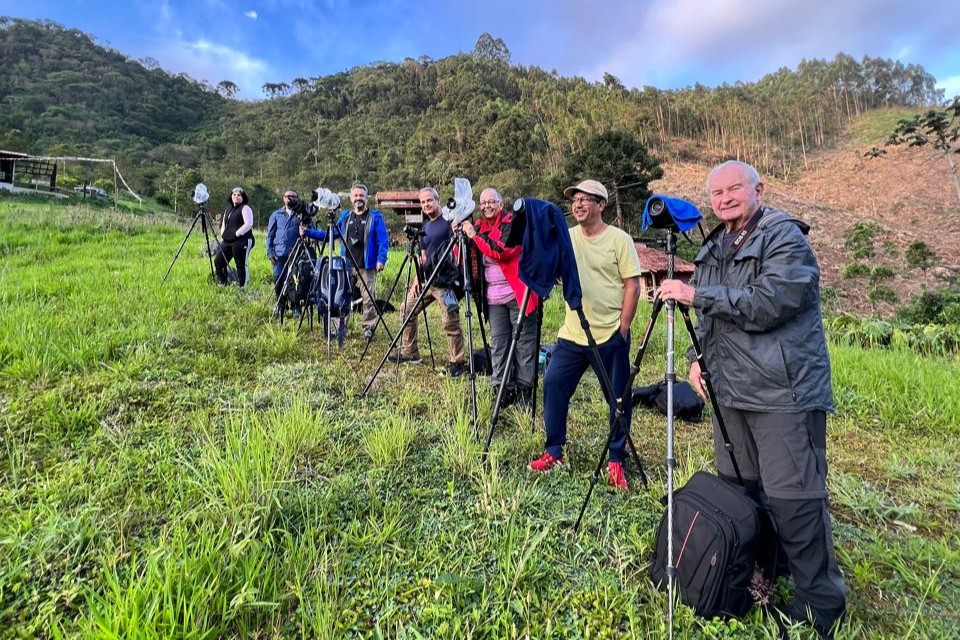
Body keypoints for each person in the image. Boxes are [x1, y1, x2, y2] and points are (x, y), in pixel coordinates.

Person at [657, 160, 847, 638]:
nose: (723, 199)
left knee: (794, 497)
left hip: (782, 391)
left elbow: (771, 301)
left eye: (733, 189)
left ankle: (818, 605)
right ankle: (760, 572)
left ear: (758, 188)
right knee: (740, 487)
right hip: (731, 390)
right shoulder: (715, 245)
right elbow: (713, 320)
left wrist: (695, 295)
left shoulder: (785, 237)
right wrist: (700, 358)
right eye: (715, 193)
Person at [528, 179, 641, 491]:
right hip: (573, 334)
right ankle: (554, 452)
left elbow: (633, 285)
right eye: (574, 200)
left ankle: (616, 459)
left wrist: (624, 328)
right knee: (552, 383)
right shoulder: (566, 237)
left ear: (601, 205)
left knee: (618, 398)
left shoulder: (619, 239)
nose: (577, 205)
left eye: (585, 200)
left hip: (610, 335)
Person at [459, 187, 540, 406]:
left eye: (491, 202)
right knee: (499, 345)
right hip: (493, 299)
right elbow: (462, 256)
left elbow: (502, 251)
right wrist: (460, 233)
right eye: (483, 203)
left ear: (501, 204)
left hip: (518, 295)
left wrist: (474, 236)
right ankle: (503, 389)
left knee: (524, 344)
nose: (486, 206)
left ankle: (524, 391)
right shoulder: (478, 226)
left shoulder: (512, 223)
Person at [392, 187, 467, 377]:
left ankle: (457, 362)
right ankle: (410, 352)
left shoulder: (449, 222)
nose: (426, 205)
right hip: (427, 280)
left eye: (429, 201)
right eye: (423, 202)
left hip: (445, 282)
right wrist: (418, 278)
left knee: (450, 321)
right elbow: (423, 257)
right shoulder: (425, 227)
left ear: (437, 200)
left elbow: (457, 248)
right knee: (407, 309)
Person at [339, 184, 389, 340]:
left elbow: (383, 240)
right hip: (347, 265)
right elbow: (332, 233)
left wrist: (381, 259)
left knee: (369, 298)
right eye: (356, 195)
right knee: (342, 297)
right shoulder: (345, 217)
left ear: (366, 198)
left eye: (361, 195)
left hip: (366, 267)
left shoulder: (375, 217)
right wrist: (309, 232)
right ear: (351, 198)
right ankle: (340, 327)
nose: (358, 198)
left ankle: (368, 328)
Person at [266, 188, 303, 304]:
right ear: (284, 199)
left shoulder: (301, 214)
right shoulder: (276, 214)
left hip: (297, 252)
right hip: (279, 253)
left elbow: (309, 231)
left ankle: (295, 305)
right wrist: (270, 252)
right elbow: (270, 235)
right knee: (278, 278)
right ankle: (280, 304)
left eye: (293, 196)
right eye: (288, 196)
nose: (290, 198)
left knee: (296, 280)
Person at [215, 186, 255, 287]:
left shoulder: (245, 208)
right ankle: (223, 283)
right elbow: (224, 223)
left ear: (243, 197)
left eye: (239, 195)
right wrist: (223, 233)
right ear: (231, 196)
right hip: (228, 240)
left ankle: (242, 286)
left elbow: (248, 224)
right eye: (234, 195)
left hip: (243, 240)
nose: (236, 197)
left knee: (240, 264)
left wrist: (237, 233)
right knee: (219, 261)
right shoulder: (228, 209)